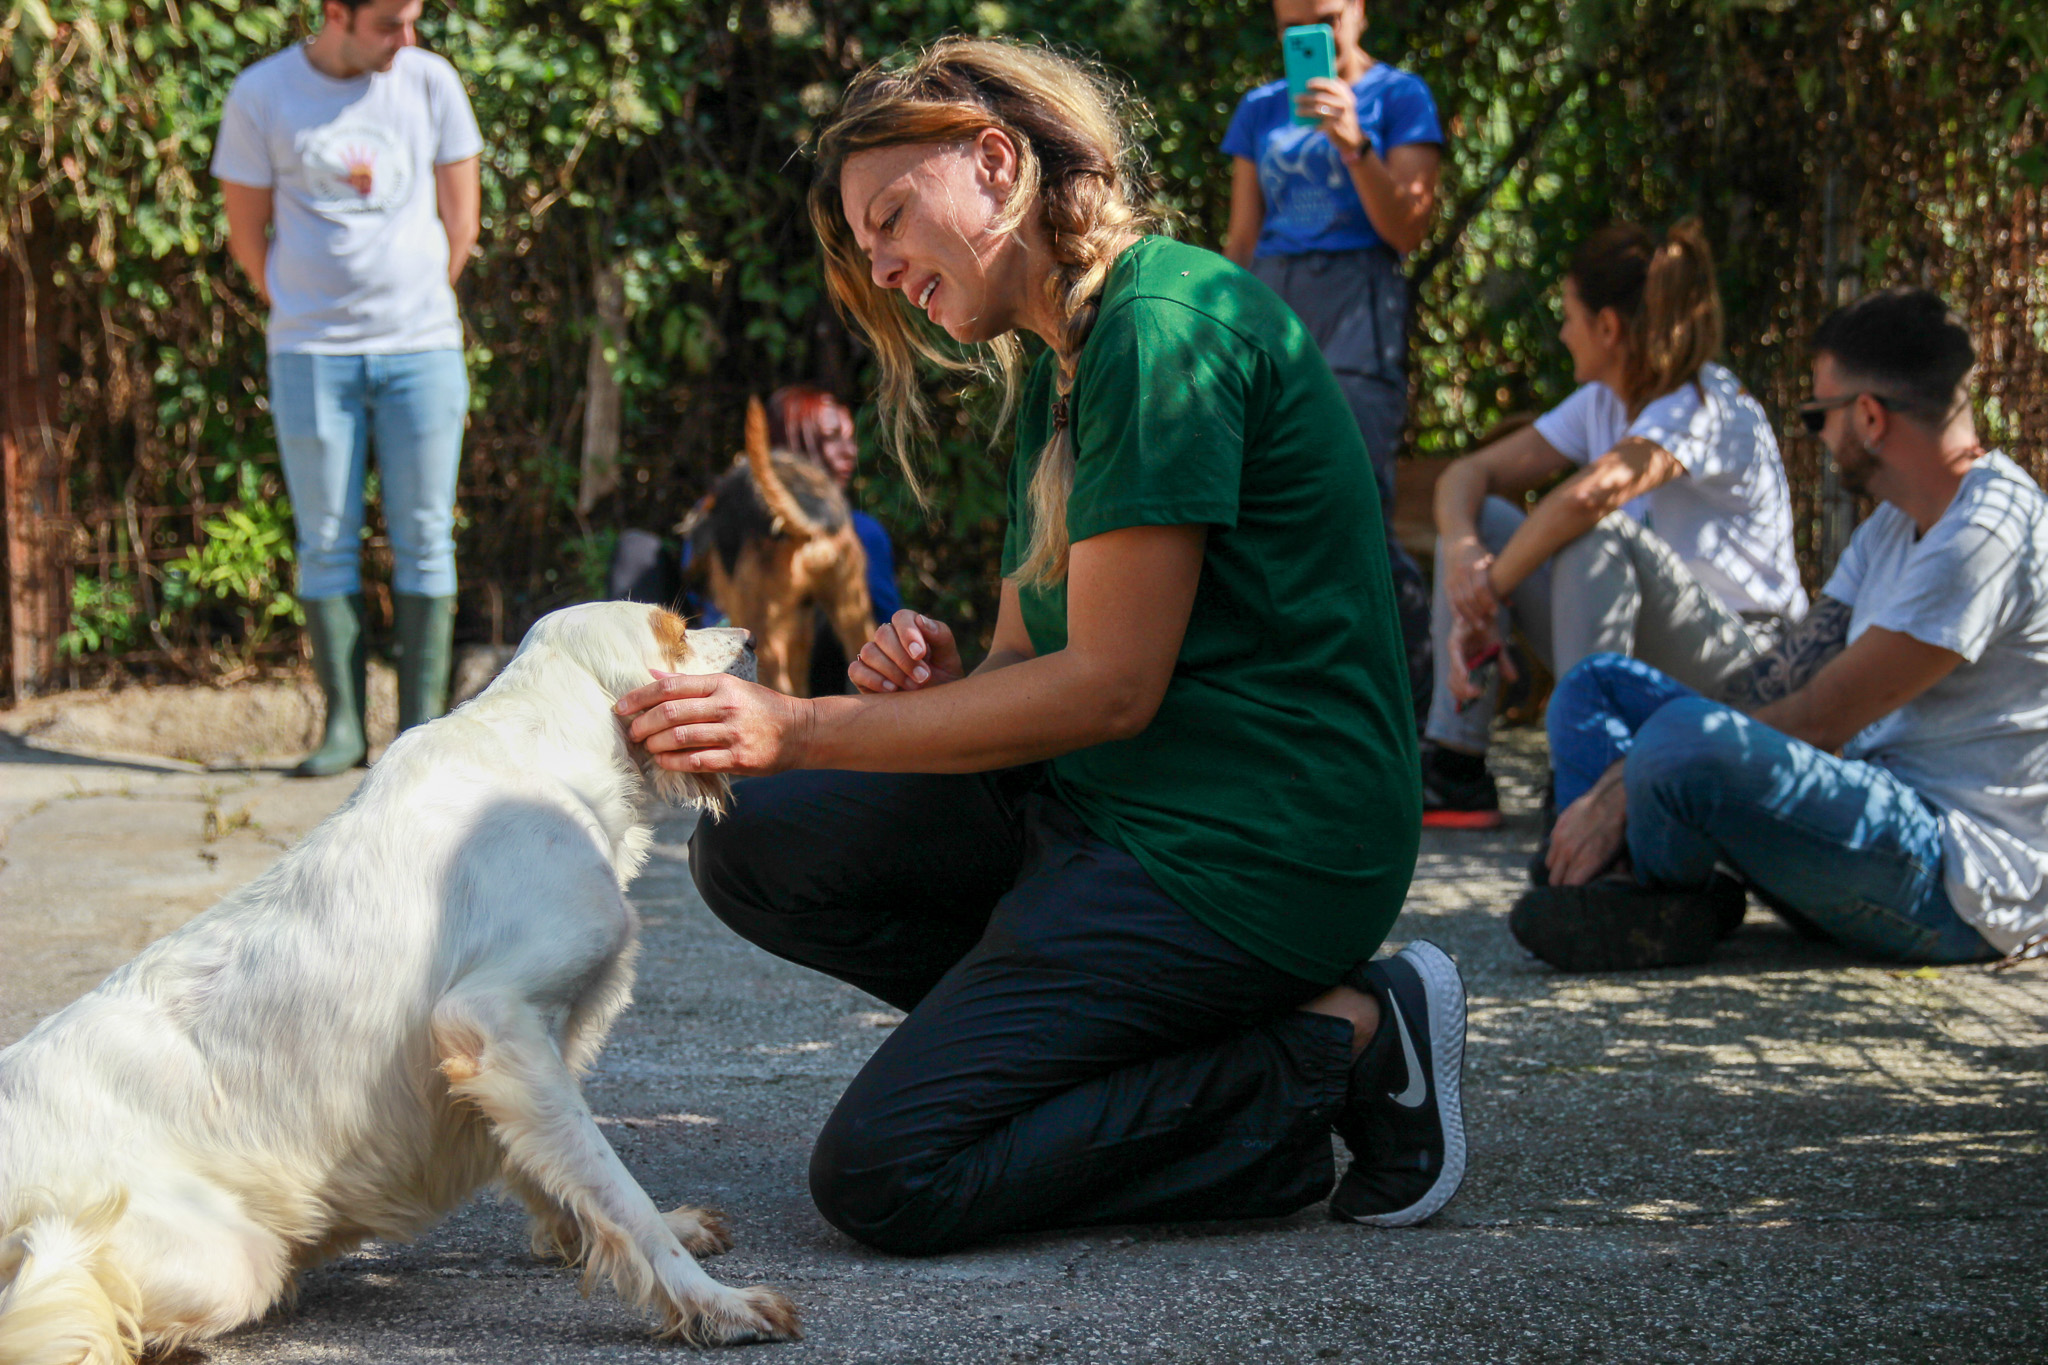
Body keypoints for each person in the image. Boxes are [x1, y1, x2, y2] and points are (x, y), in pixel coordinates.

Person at [614, 37, 1466, 1253]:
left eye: (893, 215)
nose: (884, 262)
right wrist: (948, 691)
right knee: (752, 845)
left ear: (996, 162)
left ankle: (1340, 1046)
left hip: (1253, 853)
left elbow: (1111, 688)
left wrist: (800, 726)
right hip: (1113, 818)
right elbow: (1036, 666)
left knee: (888, 1176)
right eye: (866, 244)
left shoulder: (1158, 327)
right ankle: (1141, 1065)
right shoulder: (1059, 360)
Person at [1514, 288, 2048, 972]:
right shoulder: (1891, 521)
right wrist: (1662, 754)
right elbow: (1785, 671)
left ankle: (1645, 887)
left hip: (1949, 879)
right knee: (1596, 688)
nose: (1814, 435)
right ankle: (1638, 892)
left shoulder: (1987, 533)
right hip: (1864, 817)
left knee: (1678, 741)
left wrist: (1626, 779)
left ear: (1869, 416)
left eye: (1815, 414)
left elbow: (1823, 717)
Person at [1423, 221, 1806, 827]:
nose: (1564, 332)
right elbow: (1465, 475)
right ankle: (1455, 766)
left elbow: (1587, 499)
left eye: (1570, 315)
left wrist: (1482, 596)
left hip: (1743, 667)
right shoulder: (1603, 399)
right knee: (1485, 521)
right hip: (1649, 649)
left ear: (1608, 328)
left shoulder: (1707, 408)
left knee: (1594, 532)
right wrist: (1464, 552)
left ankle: (1585, 775)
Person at [213, 0, 482, 776]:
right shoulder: (262, 95)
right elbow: (245, 232)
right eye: (389, 24)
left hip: (421, 352)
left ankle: (421, 738)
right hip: (311, 357)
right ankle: (344, 729)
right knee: (325, 541)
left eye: (414, 20)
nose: (408, 40)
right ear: (335, 12)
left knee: (426, 539)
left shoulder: (431, 83)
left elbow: (460, 223)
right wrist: (305, 308)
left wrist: (410, 306)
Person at [1222, 0, 1441, 728]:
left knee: (1360, 513)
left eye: (1324, 17)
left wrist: (1354, 143)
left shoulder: (1399, 97)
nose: (1309, 36)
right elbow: (1244, 237)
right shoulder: (1258, 108)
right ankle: (1304, 717)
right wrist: (1221, 339)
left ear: (1360, 10)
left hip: (1358, 309)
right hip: (1275, 310)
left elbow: (1407, 228)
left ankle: (1412, 722)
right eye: (1293, 28)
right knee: (1270, 512)